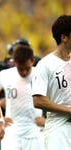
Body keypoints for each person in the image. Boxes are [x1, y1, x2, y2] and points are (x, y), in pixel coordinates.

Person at [0, 44, 45, 150]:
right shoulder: (5, 75)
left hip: (35, 132)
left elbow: (58, 97)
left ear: (32, 61)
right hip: (11, 133)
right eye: (20, 69)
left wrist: (48, 120)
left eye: (27, 68)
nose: (24, 72)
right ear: (15, 63)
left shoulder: (42, 75)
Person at [32, 14, 71, 150]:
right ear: (64, 37)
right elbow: (38, 100)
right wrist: (69, 111)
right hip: (58, 130)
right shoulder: (45, 65)